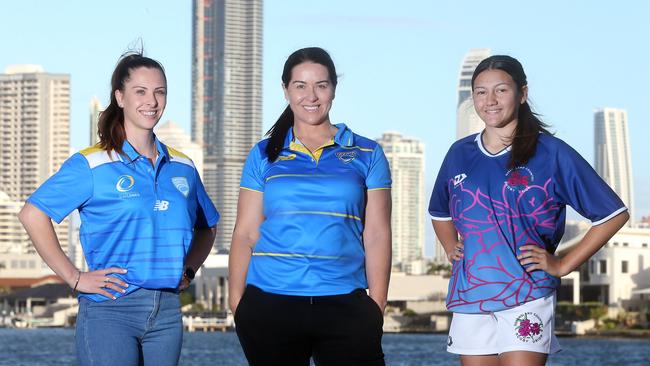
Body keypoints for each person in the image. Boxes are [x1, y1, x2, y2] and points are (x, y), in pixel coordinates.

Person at [18, 52, 219, 366]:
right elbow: (32, 214)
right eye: (140, 91)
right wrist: (74, 277)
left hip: (167, 312)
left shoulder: (183, 166)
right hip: (110, 310)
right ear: (120, 97)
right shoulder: (93, 163)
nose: (151, 101)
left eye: (159, 92)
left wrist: (190, 269)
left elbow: (208, 226)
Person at [429, 55, 628, 366]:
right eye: (480, 92)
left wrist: (563, 264)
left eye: (501, 90)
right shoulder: (459, 153)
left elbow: (612, 214)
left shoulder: (551, 152)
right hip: (471, 296)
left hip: (527, 292)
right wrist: (449, 246)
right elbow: (440, 212)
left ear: (522, 94)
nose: (490, 101)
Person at [228, 47, 392, 366]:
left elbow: (377, 234)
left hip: (346, 303)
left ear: (333, 88)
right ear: (286, 89)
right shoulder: (263, 154)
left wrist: (378, 305)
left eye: (321, 85)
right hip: (270, 303)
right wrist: (238, 304)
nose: (311, 96)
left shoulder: (367, 153)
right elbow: (245, 232)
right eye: (300, 85)